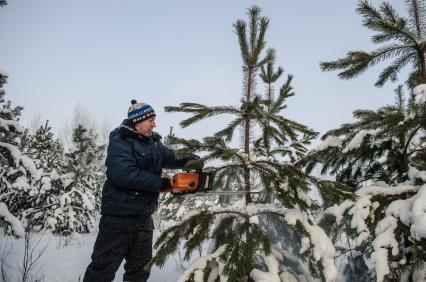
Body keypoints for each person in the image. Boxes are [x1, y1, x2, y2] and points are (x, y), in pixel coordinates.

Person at [83, 100, 203, 282]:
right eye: (151, 120)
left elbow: (171, 156)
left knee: (140, 270)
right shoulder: (120, 140)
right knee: (102, 269)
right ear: (137, 121)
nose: (154, 124)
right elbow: (123, 174)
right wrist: (162, 183)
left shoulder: (153, 143)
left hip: (143, 218)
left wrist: (192, 160)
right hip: (118, 218)